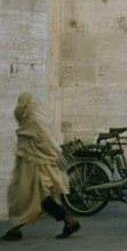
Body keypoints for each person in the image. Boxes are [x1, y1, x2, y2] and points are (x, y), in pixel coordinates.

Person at [2, 93, 79, 241]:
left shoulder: (34, 121)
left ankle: (68, 221)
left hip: (36, 167)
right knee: (26, 198)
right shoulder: (29, 121)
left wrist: (56, 155)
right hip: (28, 167)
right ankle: (16, 228)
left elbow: (46, 141)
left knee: (32, 198)